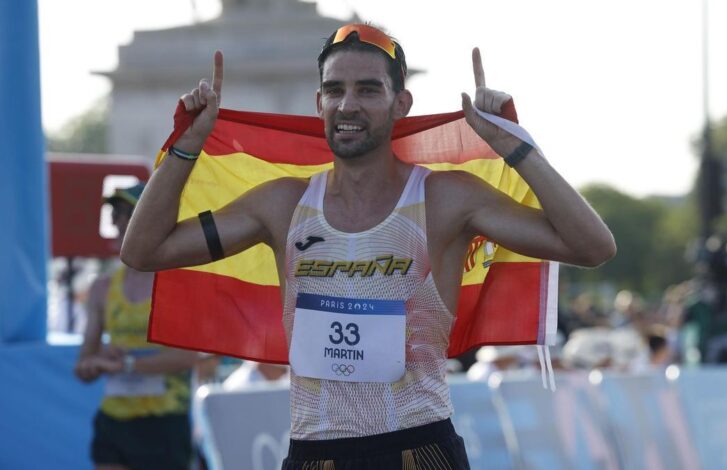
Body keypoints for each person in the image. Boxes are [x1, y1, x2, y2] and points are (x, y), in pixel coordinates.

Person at [122, 23, 616, 469]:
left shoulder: (445, 198)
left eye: (367, 90)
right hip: (314, 452)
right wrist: (188, 145)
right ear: (318, 104)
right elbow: (143, 251)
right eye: (334, 90)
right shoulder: (282, 204)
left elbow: (592, 246)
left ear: (401, 103)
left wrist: (515, 146)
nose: (348, 105)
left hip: (419, 448)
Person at [74, 183, 199, 470]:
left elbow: (189, 358)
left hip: (164, 422)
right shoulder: (102, 288)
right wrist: (94, 365)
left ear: (151, 219)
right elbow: (83, 365)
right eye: (115, 214)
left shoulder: (178, 284)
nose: (118, 222)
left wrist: (127, 365)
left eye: (128, 213)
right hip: (114, 420)